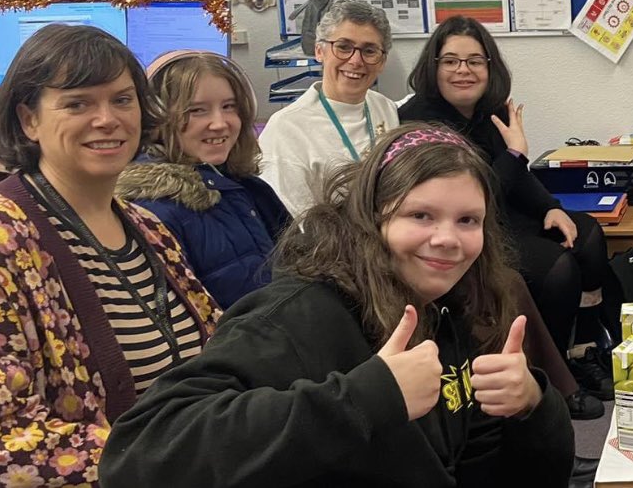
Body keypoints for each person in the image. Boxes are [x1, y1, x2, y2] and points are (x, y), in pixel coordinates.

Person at [100, 125, 575, 487]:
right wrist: (367, 398)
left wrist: (533, 405)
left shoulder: (449, 309)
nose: (447, 239)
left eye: (468, 220)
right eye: (420, 215)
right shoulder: (296, 314)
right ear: (370, 219)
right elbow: (140, 454)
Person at [0, 25, 217, 484]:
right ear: (28, 120)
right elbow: (9, 437)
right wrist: (178, 459)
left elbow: (220, 349)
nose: (107, 119)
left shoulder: (149, 229)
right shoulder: (7, 238)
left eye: (122, 100)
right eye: (78, 103)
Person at [399, 16, 623, 402]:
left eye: (475, 60)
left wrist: (550, 207)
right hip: (470, 228)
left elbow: (516, 177)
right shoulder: (420, 121)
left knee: (587, 236)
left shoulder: (491, 111)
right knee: (558, 268)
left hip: (505, 214)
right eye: (450, 61)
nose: (463, 70)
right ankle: (548, 377)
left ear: (490, 67)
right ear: (433, 67)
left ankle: (583, 350)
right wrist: (517, 152)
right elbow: (471, 196)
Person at [116, 52, 291, 309]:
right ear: (157, 118)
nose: (219, 124)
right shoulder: (154, 213)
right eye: (197, 110)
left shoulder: (244, 188)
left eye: (229, 107)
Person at [258, 0, 399, 218]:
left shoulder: (385, 108)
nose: (355, 61)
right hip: (329, 248)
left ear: (382, 61)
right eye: (343, 47)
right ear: (319, 51)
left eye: (369, 51)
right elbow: (296, 224)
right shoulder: (286, 129)